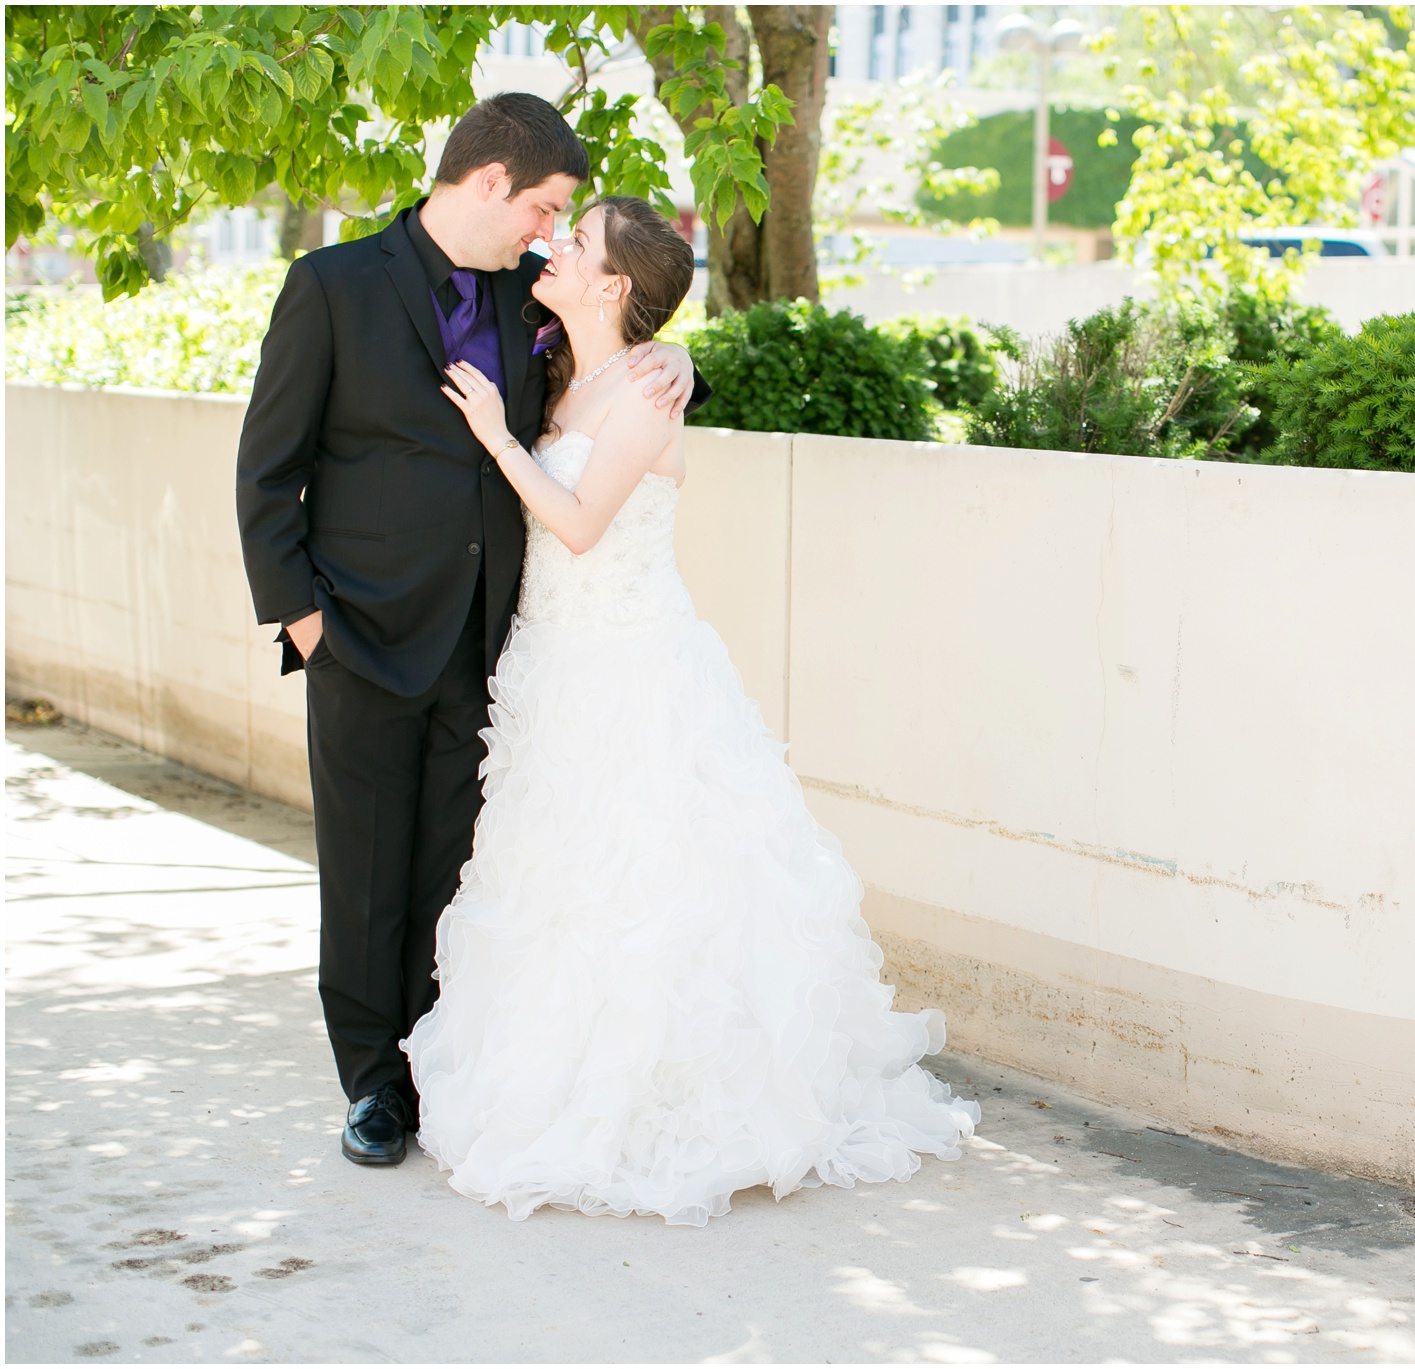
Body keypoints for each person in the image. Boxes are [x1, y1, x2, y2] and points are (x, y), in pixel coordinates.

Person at [410, 194, 979, 1225]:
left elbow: (579, 524)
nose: (554, 246)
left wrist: (499, 438)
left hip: (632, 664)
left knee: (652, 882)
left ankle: (668, 1097)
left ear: (615, 286)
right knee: (562, 881)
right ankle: (552, 1072)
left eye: (575, 243)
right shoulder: (568, 369)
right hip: (554, 663)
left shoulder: (643, 390)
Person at [235, 94, 701, 1167]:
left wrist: (681, 364)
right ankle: (369, 1088)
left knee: (453, 875)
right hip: (356, 634)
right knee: (363, 876)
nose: (546, 231)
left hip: (489, 646)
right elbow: (267, 474)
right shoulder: (332, 286)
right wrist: (305, 621)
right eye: (540, 207)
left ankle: (434, 1068)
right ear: (489, 182)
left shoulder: (519, 299)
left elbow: (603, 369)